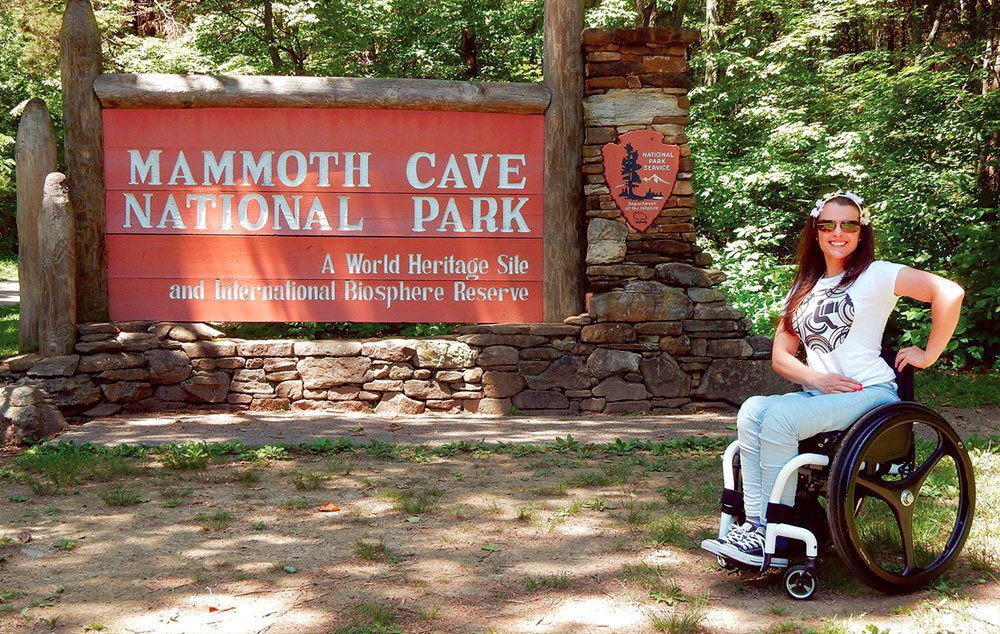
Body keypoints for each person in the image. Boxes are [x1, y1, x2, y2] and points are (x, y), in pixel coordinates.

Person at [701, 191, 965, 567]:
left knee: (779, 419)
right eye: (828, 224)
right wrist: (817, 379)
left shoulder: (878, 274)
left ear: (861, 231)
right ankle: (758, 527)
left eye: (849, 224)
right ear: (815, 231)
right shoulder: (803, 287)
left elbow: (950, 293)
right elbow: (780, 356)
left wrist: (929, 352)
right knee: (752, 411)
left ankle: (773, 529)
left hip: (871, 394)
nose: (838, 232)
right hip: (822, 396)